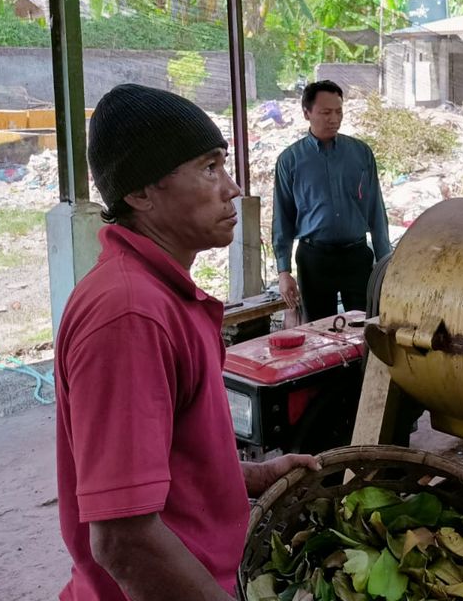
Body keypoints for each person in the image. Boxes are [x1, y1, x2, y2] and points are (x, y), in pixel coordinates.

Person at [54, 84, 318, 601]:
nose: (234, 188)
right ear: (140, 193)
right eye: (210, 167)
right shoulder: (130, 315)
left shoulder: (160, 294)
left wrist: (249, 475)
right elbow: (124, 541)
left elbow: (162, 464)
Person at [273, 80, 392, 320]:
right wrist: (283, 271)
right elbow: (282, 218)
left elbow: (376, 211)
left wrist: (385, 262)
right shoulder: (290, 160)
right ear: (307, 113)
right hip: (314, 259)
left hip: (357, 256)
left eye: (338, 112)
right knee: (317, 332)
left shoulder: (360, 153)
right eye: (325, 112)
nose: (334, 119)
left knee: (364, 327)